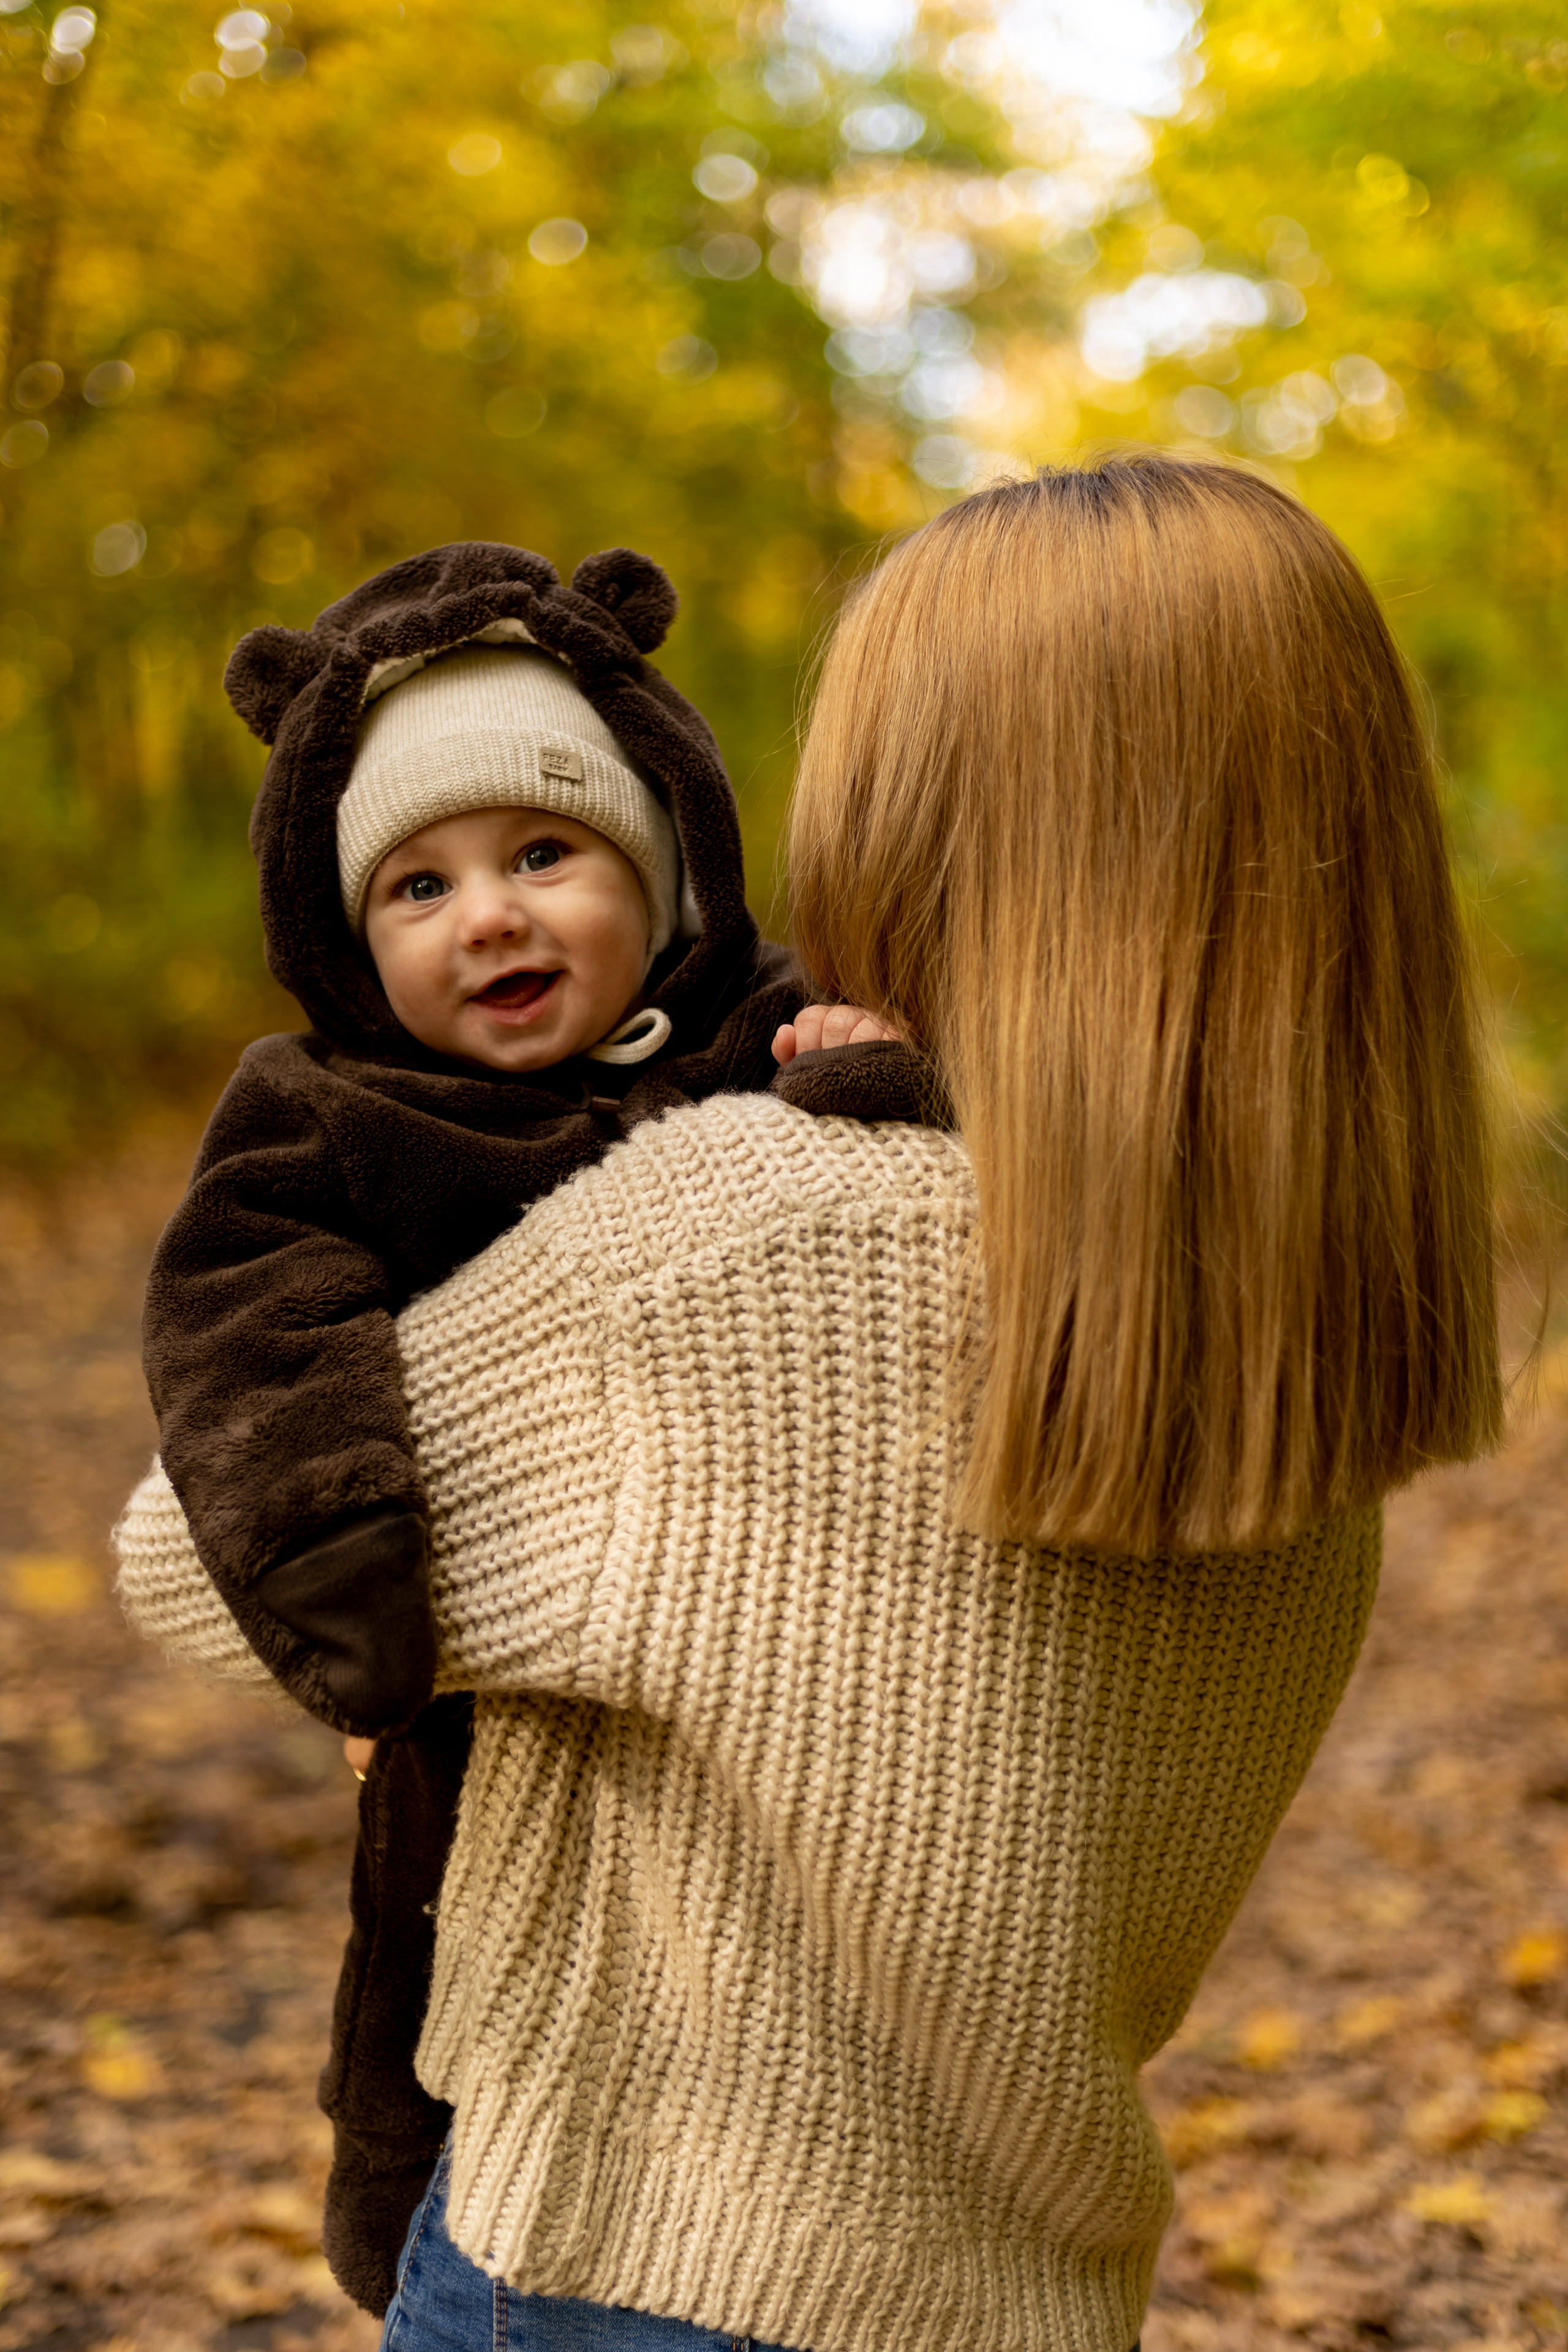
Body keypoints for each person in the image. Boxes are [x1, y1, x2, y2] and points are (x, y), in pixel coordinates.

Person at [118, 456, 1502, 2352]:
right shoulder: (1316, 1306)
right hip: (1033, 2283)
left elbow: (188, 1556)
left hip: (641, 2271)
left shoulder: (746, 1244)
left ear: (921, 815)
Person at [134, 535, 890, 2309]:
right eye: (418, 886)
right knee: (442, 1969)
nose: (490, 915)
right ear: (341, 932)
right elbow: (244, 1328)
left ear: (657, 858)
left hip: (759, 1674)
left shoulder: (750, 1031)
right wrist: (340, 1558)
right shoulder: (326, 1118)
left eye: (544, 853)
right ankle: (432, 2237)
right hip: (463, 1682)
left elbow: (904, 1187)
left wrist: (865, 1066)